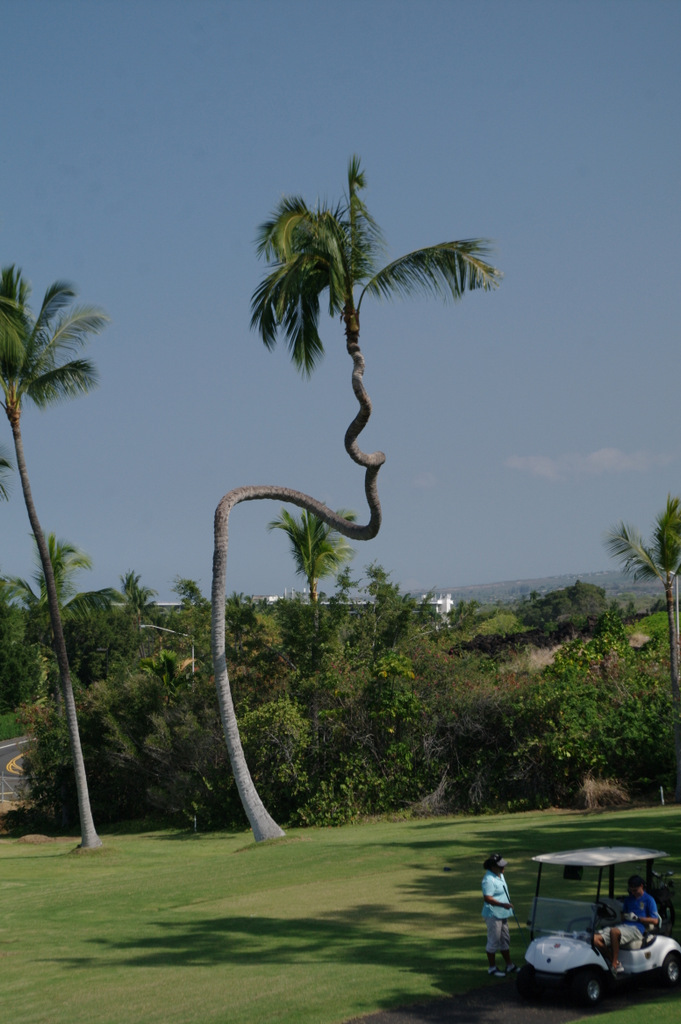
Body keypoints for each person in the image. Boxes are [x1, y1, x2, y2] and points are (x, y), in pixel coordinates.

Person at [593, 875, 659, 974]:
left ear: (641, 886)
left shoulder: (649, 900)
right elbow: (623, 915)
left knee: (614, 932)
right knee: (594, 938)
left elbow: (655, 920)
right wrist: (624, 916)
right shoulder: (628, 899)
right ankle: (614, 962)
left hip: (637, 928)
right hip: (624, 926)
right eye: (631, 890)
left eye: (635, 890)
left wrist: (638, 918)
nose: (633, 893)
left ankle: (614, 965)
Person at [481, 852, 517, 977]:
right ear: (493, 867)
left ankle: (509, 966)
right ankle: (492, 968)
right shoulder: (488, 880)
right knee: (493, 941)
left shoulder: (499, 874)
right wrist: (503, 905)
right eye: (501, 866)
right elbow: (487, 898)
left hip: (502, 913)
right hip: (493, 915)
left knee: (505, 940)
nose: (503, 868)